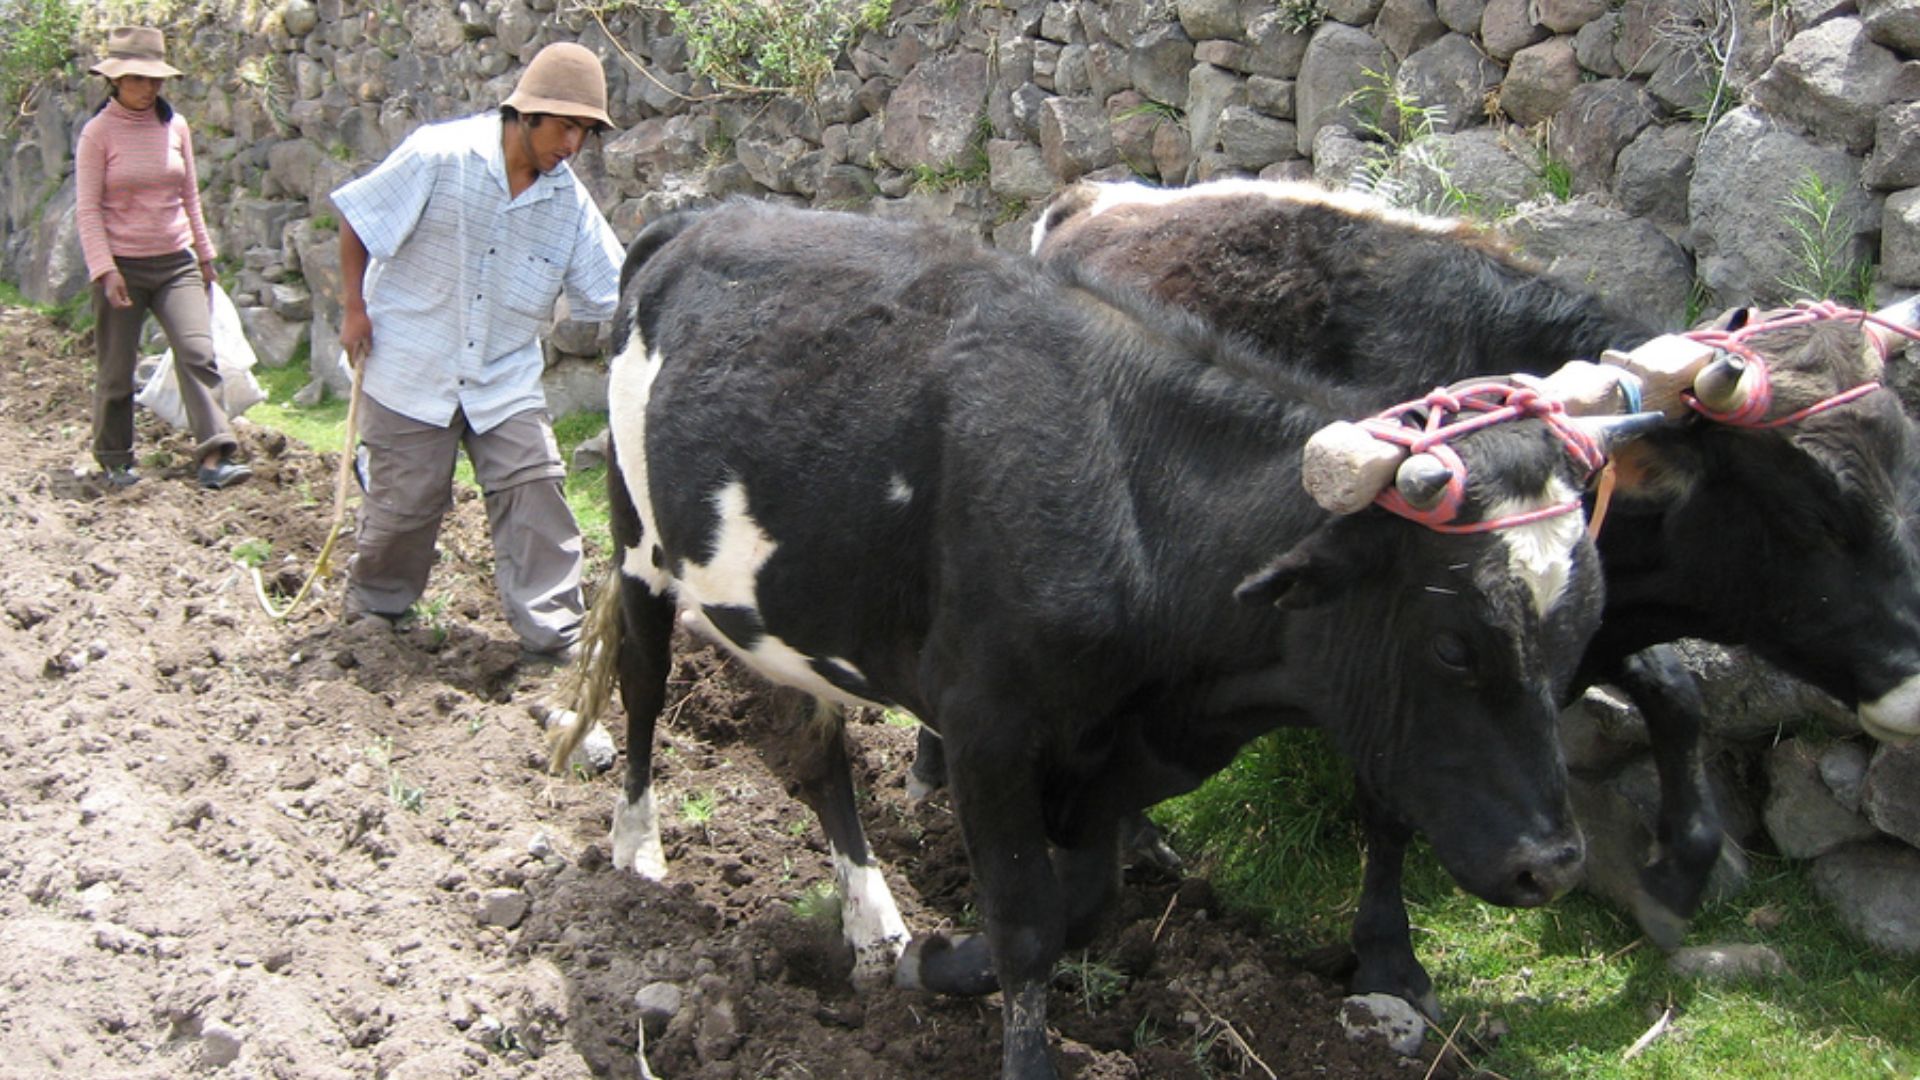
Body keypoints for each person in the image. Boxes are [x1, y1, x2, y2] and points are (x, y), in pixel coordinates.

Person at [330, 42, 624, 663]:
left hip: (502, 376)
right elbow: (359, 217)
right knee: (407, 507)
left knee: (537, 490)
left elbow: (616, 289)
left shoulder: (566, 202)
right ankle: (378, 609)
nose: (571, 145)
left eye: (584, 132)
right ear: (526, 115)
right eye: (565, 126)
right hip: (411, 363)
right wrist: (354, 309)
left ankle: (556, 637)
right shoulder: (440, 154)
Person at [74, 26, 252, 490]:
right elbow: (88, 209)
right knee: (117, 368)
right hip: (122, 266)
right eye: (138, 78)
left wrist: (205, 255)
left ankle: (215, 455)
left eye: (156, 79)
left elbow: (189, 195)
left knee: (198, 352)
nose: (149, 88)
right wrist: (104, 268)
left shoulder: (175, 126)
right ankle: (115, 458)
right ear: (115, 79)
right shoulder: (98, 134)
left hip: (177, 261)